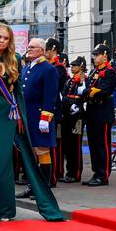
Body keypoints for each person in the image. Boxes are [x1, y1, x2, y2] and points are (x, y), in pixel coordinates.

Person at [0, 23, 67, 220]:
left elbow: (17, 91)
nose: (1, 41)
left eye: (5, 38)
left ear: (10, 40)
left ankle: (4, 209)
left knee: (3, 161)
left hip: (6, 114)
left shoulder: (15, 59)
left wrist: (20, 115)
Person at [18, 37, 59, 199]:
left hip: (41, 115)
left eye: (33, 47)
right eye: (28, 47)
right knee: (31, 151)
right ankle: (32, 186)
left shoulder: (48, 69)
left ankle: (44, 187)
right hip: (28, 114)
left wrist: (45, 117)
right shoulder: (27, 67)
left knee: (42, 150)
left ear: (42, 50)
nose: (29, 49)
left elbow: (50, 96)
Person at [82, 43, 116, 186]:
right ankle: (96, 172)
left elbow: (104, 90)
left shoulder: (110, 71)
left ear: (105, 56)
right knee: (93, 144)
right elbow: (88, 90)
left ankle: (103, 174)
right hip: (92, 111)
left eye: (97, 55)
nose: (95, 57)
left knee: (102, 144)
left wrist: (91, 92)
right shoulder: (93, 72)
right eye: (94, 55)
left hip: (102, 112)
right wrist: (90, 92)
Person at [58, 56, 88, 182]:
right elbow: (65, 93)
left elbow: (83, 96)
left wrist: (77, 103)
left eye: (75, 66)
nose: (72, 68)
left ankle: (75, 173)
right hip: (67, 113)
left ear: (81, 66)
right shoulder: (70, 80)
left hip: (77, 115)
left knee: (75, 145)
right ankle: (69, 171)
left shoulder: (84, 80)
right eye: (72, 66)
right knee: (67, 145)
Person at [45, 37, 69, 184]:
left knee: (52, 144)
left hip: (54, 108)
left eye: (47, 50)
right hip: (48, 107)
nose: (45, 53)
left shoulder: (58, 68)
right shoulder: (50, 66)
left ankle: (53, 175)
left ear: (53, 50)